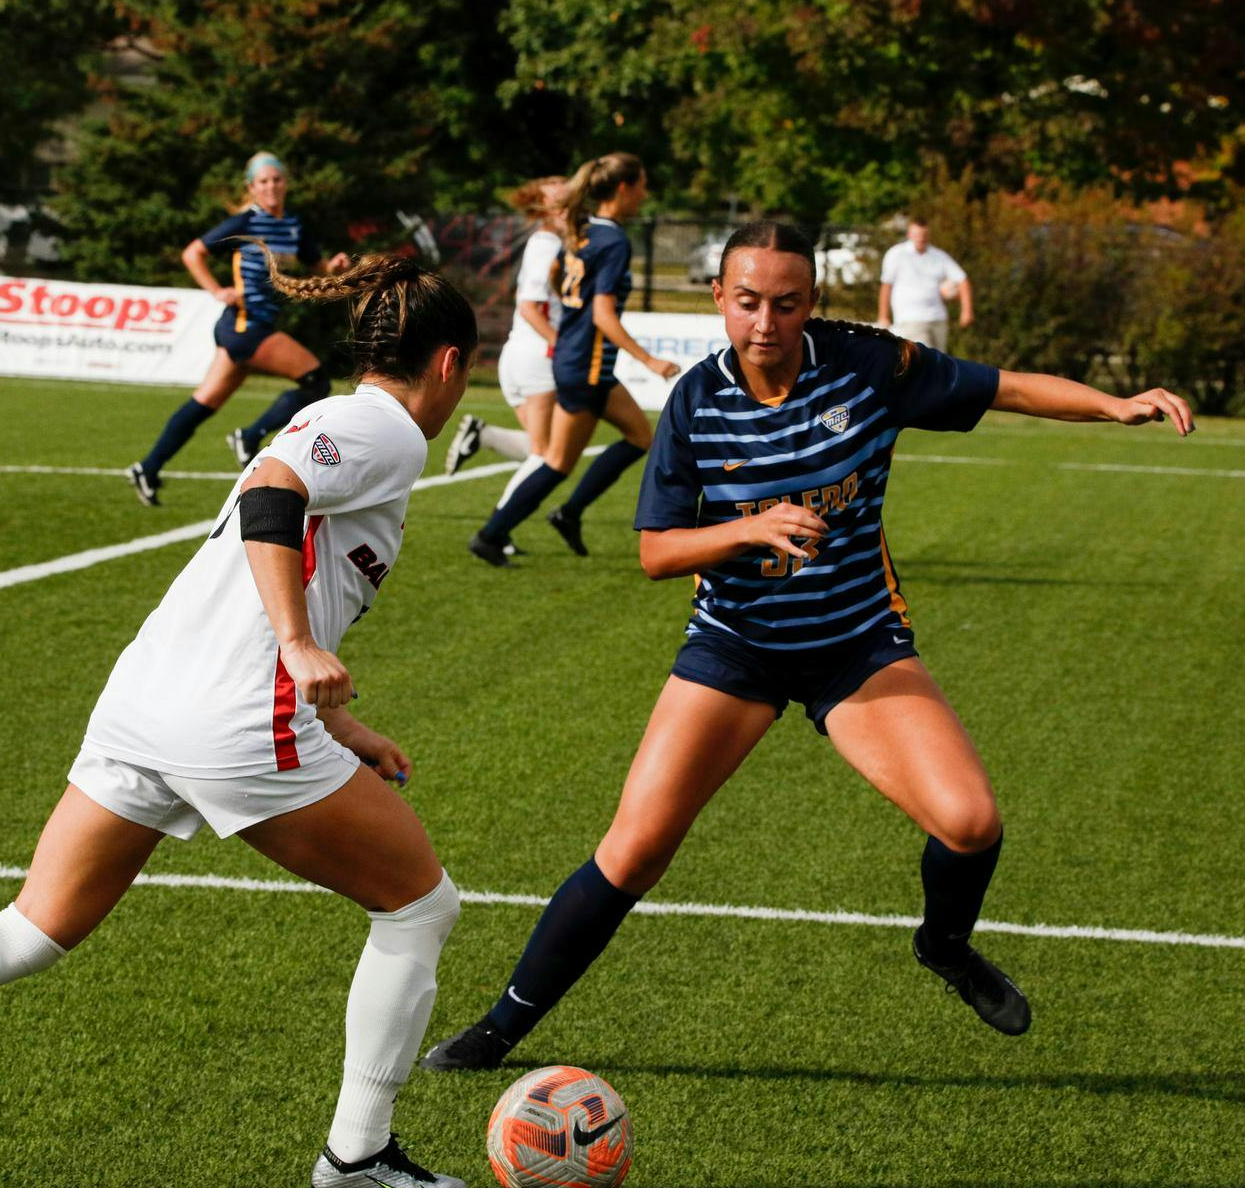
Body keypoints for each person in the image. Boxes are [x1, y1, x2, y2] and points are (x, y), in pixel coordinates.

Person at [0, 253, 478, 1188]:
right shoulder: (383, 427)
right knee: (419, 907)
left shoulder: (354, 425)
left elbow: (276, 566)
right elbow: (271, 496)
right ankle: (358, 1150)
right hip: (230, 717)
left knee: (30, 928)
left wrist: (343, 717)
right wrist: (297, 647)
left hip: (150, 698)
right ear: (452, 365)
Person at [423, 221, 1193, 1072]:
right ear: (719, 297)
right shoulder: (693, 402)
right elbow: (655, 551)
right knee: (635, 848)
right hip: (735, 650)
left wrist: (1112, 404)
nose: (765, 322)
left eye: (786, 305)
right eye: (747, 301)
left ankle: (943, 946)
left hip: (854, 645)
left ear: (813, 304)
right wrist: (746, 529)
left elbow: (1003, 387)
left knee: (972, 823)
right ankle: (498, 1027)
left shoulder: (869, 366)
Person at [467, 153, 682, 566]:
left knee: (640, 437)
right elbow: (602, 314)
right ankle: (494, 533)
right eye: (641, 185)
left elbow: (567, 288)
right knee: (559, 461)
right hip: (586, 364)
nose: (645, 193)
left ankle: (564, 514)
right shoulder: (613, 239)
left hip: (576, 358)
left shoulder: (583, 232)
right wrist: (650, 360)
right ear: (623, 188)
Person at [126, 151, 350, 506]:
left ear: (285, 183)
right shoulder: (245, 221)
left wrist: (332, 265)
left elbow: (316, 265)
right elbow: (192, 253)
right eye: (263, 181)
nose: (271, 186)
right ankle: (249, 437)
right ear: (252, 187)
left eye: (276, 179)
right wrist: (216, 290)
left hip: (246, 327)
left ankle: (148, 468)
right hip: (247, 326)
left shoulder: (293, 225)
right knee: (316, 381)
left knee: (204, 403)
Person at [444, 177, 566, 551]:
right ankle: (496, 531)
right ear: (548, 211)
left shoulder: (546, 242)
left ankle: (485, 436)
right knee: (547, 455)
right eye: (564, 202)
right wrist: (561, 345)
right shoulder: (547, 246)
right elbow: (529, 306)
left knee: (541, 448)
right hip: (537, 358)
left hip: (521, 355)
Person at [877, 217, 972, 350]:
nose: (921, 239)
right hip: (910, 320)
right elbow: (886, 286)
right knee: (924, 361)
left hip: (938, 319)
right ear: (909, 234)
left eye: (924, 235)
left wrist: (966, 311)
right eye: (917, 235)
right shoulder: (897, 254)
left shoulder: (939, 256)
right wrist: (883, 316)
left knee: (939, 362)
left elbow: (962, 280)